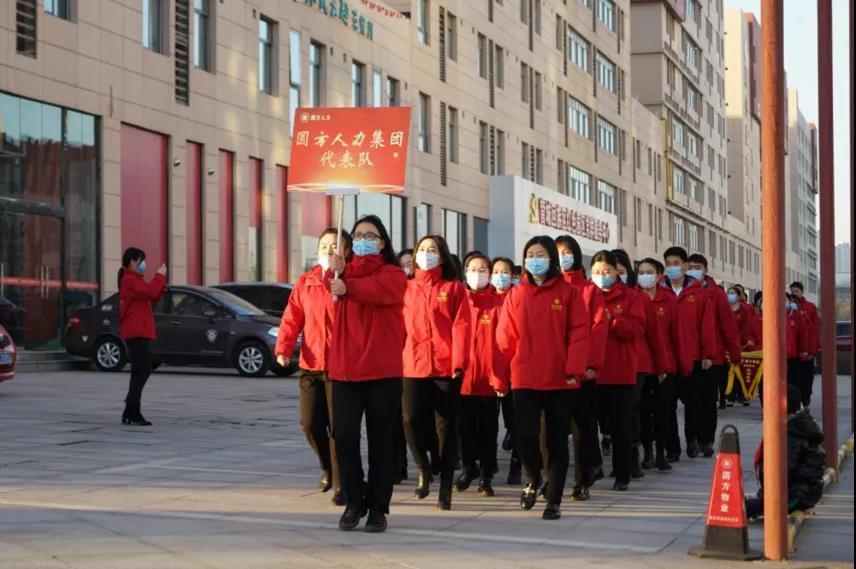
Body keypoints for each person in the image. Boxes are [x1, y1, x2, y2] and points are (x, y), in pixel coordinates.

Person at [497, 236, 590, 519]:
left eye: (540, 254)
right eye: (530, 255)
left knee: (556, 439)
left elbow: (579, 332)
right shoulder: (516, 294)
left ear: (551, 258)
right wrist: (500, 373)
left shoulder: (569, 293)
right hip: (525, 375)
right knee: (524, 433)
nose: (534, 260)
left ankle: (554, 500)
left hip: (561, 378)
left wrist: (573, 369)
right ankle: (533, 476)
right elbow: (504, 337)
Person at [327, 215, 407, 533]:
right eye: (358, 235)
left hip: (383, 371)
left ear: (382, 242)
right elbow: (328, 286)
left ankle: (377, 507)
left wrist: (347, 284)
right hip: (346, 369)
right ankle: (354, 498)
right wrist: (337, 270)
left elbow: (378, 290)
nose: (363, 240)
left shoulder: (394, 274)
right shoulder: (340, 273)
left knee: (381, 442)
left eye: (370, 236)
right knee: (343, 436)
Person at [275, 228, 352, 506]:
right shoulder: (306, 282)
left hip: (340, 366)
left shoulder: (349, 282)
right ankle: (327, 467)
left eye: (335, 245)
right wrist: (283, 348)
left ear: (346, 252)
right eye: (324, 245)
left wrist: (343, 285)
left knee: (338, 428)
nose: (329, 250)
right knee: (310, 424)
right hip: (311, 363)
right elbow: (292, 317)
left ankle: (341, 484)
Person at [402, 235, 471, 510]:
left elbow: (462, 325)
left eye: (432, 250)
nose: (426, 254)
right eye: (422, 249)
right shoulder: (406, 288)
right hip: (413, 362)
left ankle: (445, 485)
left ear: (442, 257)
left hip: (445, 364)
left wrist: (459, 361)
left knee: (447, 425)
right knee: (409, 418)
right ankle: (423, 467)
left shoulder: (453, 288)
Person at [590, 250, 646, 491]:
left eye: (607, 271)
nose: (602, 276)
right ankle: (592, 467)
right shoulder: (585, 294)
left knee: (621, 426)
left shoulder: (631, 296)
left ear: (616, 272)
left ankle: (622, 473)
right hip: (590, 371)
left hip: (620, 371)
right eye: (597, 272)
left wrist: (611, 320)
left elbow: (637, 328)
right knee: (588, 425)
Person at [557, 235, 607, 500]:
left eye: (566, 252)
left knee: (581, 429)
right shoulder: (546, 289)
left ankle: (582, 481)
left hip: (581, 372)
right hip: (552, 371)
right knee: (550, 429)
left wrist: (591, 365)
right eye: (557, 253)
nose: (562, 257)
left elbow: (598, 329)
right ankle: (550, 478)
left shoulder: (589, 291)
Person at [455, 252, 508, 498]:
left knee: (488, 429)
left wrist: (500, 377)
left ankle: (486, 476)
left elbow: (504, 345)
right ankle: (468, 467)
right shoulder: (458, 301)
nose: (478, 274)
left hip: (489, 379)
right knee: (463, 427)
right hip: (462, 378)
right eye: (473, 269)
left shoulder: (499, 304)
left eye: (483, 270)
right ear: (465, 272)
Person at [613, 249, 666, 478]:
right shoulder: (598, 296)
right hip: (610, 365)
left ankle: (638, 454)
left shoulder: (639, 297)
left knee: (634, 410)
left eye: (620, 271)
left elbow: (654, 335)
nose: (616, 276)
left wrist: (661, 366)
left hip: (638, 364)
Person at [661, 246, 716, 462]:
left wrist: (707, 354)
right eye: (668, 264)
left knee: (693, 402)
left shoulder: (698, 293)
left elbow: (706, 326)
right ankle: (672, 448)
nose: (672, 268)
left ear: (684, 266)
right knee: (667, 404)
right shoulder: (659, 291)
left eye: (676, 263)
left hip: (691, 357)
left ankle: (692, 438)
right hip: (666, 358)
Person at [745, 385, 825, 519]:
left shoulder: (791, 433)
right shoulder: (797, 425)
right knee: (750, 504)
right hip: (803, 491)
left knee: (744, 508)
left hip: (798, 494)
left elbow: (783, 471)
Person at [686, 254, 742, 446]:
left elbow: (728, 325)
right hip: (690, 354)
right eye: (690, 267)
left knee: (709, 400)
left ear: (705, 270)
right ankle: (693, 437)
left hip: (713, 356)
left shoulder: (716, 294)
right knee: (692, 400)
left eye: (697, 267)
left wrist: (735, 353)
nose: (693, 271)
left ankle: (706, 440)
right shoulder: (683, 291)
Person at [118, 247, 167, 427]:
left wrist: (160, 283)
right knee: (142, 371)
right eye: (141, 260)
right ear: (132, 261)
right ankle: (132, 411)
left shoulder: (134, 280)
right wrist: (159, 276)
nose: (143, 264)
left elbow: (152, 295)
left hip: (139, 330)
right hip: (135, 331)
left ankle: (130, 411)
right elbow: (150, 292)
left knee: (140, 371)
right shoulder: (129, 280)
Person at [636, 258, 677, 472]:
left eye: (649, 272)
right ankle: (648, 451)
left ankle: (662, 452)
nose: (645, 276)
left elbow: (676, 334)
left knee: (663, 410)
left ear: (659, 275)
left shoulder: (668, 299)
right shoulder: (634, 297)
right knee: (642, 411)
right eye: (641, 272)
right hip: (641, 365)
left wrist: (672, 364)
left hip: (664, 364)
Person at [490, 256, 521, 484]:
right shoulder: (485, 298)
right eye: (496, 271)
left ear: (512, 276)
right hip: (489, 367)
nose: (500, 276)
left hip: (514, 367)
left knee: (515, 417)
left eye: (505, 272)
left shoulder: (518, 298)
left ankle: (516, 464)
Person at [789, 281, 820, 407]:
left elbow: (815, 328)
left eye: (796, 291)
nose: (794, 293)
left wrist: (814, 348)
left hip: (807, 348)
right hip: (793, 349)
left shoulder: (810, 307)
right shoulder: (788, 306)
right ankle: (796, 400)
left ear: (802, 292)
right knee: (794, 377)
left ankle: (806, 397)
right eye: (792, 291)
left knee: (807, 377)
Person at [786, 293, 812, 397]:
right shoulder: (773, 315)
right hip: (777, 356)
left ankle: (796, 401)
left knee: (793, 381)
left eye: (786, 300)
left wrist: (804, 350)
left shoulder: (797, 316)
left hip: (792, 355)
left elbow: (803, 334)